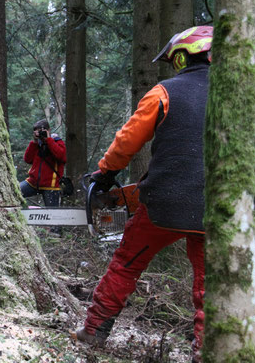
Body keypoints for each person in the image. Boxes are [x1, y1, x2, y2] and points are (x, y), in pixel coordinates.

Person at [72, 26, 212, 363]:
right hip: (215, 207)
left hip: (163, 204)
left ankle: (94, 329)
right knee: (210, 284)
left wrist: (105, 173)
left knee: (125, 265)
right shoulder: (235, 95)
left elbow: (128, 140)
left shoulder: (164, 92)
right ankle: (206, 351)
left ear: (181, 57)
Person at [19, 119, 67, 207]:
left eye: (42, 131)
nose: (40, 133)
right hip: (32, 182)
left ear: (48, 130)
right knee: (14, 193)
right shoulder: (37, 144)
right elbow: (28, 159)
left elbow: (61, 156)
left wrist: (48, 140)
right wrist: (34, 142)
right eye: (37, 131)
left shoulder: (56, 141)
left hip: (50, 185)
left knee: (52, 215)